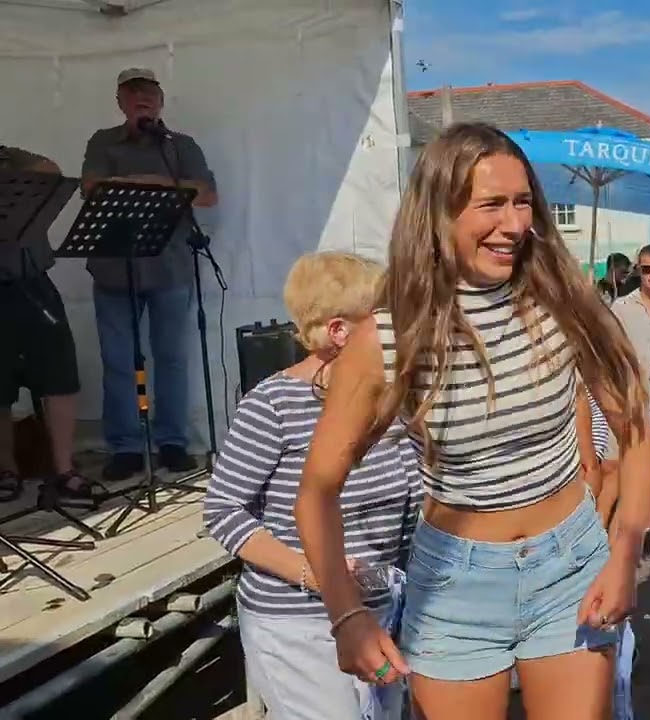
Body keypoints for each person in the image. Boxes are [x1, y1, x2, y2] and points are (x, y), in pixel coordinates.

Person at [293, 122, 650, 720]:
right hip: (453, 586)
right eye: (492, 204)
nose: (514, 224)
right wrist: (346, 615)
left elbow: (635, 428)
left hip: (570, 564)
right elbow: (316, 491)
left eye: (523, 203)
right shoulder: (389, 339)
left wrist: (625, 553)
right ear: (439, 213)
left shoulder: (564, 304)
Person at [203, 252, 420, 720]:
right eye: (381, 320)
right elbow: (222, 510)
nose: (396, 331)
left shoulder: (390, 397)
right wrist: (312, 572)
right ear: (340, 331)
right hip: (298, 624)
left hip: (382, 611)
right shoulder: (273, 404)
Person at [80, 67, 219, 481]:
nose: (142, 98)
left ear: (160, 101)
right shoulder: (103, 140)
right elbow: (92, 187)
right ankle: (125, 447)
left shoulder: (181, 145)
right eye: (132, 92)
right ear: (120, 102)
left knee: (172, 358)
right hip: (113, 269)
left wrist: (135, 181)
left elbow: (209, 194)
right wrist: (167, 186)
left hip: (170, 266)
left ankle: (172, 443)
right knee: (119, 361)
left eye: (149, 92)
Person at [0, 146, 92, 503]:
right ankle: (6, 469)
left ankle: (64, 468)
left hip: (34, 283)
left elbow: (51, 170)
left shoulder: (15, 164)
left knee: (60, 375)